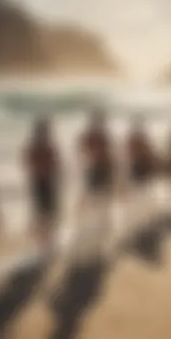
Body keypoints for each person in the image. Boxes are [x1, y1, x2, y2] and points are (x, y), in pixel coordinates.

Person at [77, 109, 116, 258]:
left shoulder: (91, 136)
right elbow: (108, 155)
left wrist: (88, 158)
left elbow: (81, 150)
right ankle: (97, 237)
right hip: (99, 170)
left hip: (95, 169)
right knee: (100, 203)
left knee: (95, 202)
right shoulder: (101, 136)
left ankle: (93, 235)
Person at [24, 117, 59, 256]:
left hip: (40, 181)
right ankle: (45, 243)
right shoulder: (43, 146)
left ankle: (45, 242)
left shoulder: (39, 146)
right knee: (46, 212)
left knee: (44, 212)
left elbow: (28, 163)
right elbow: (54, 164)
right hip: (43, 181)